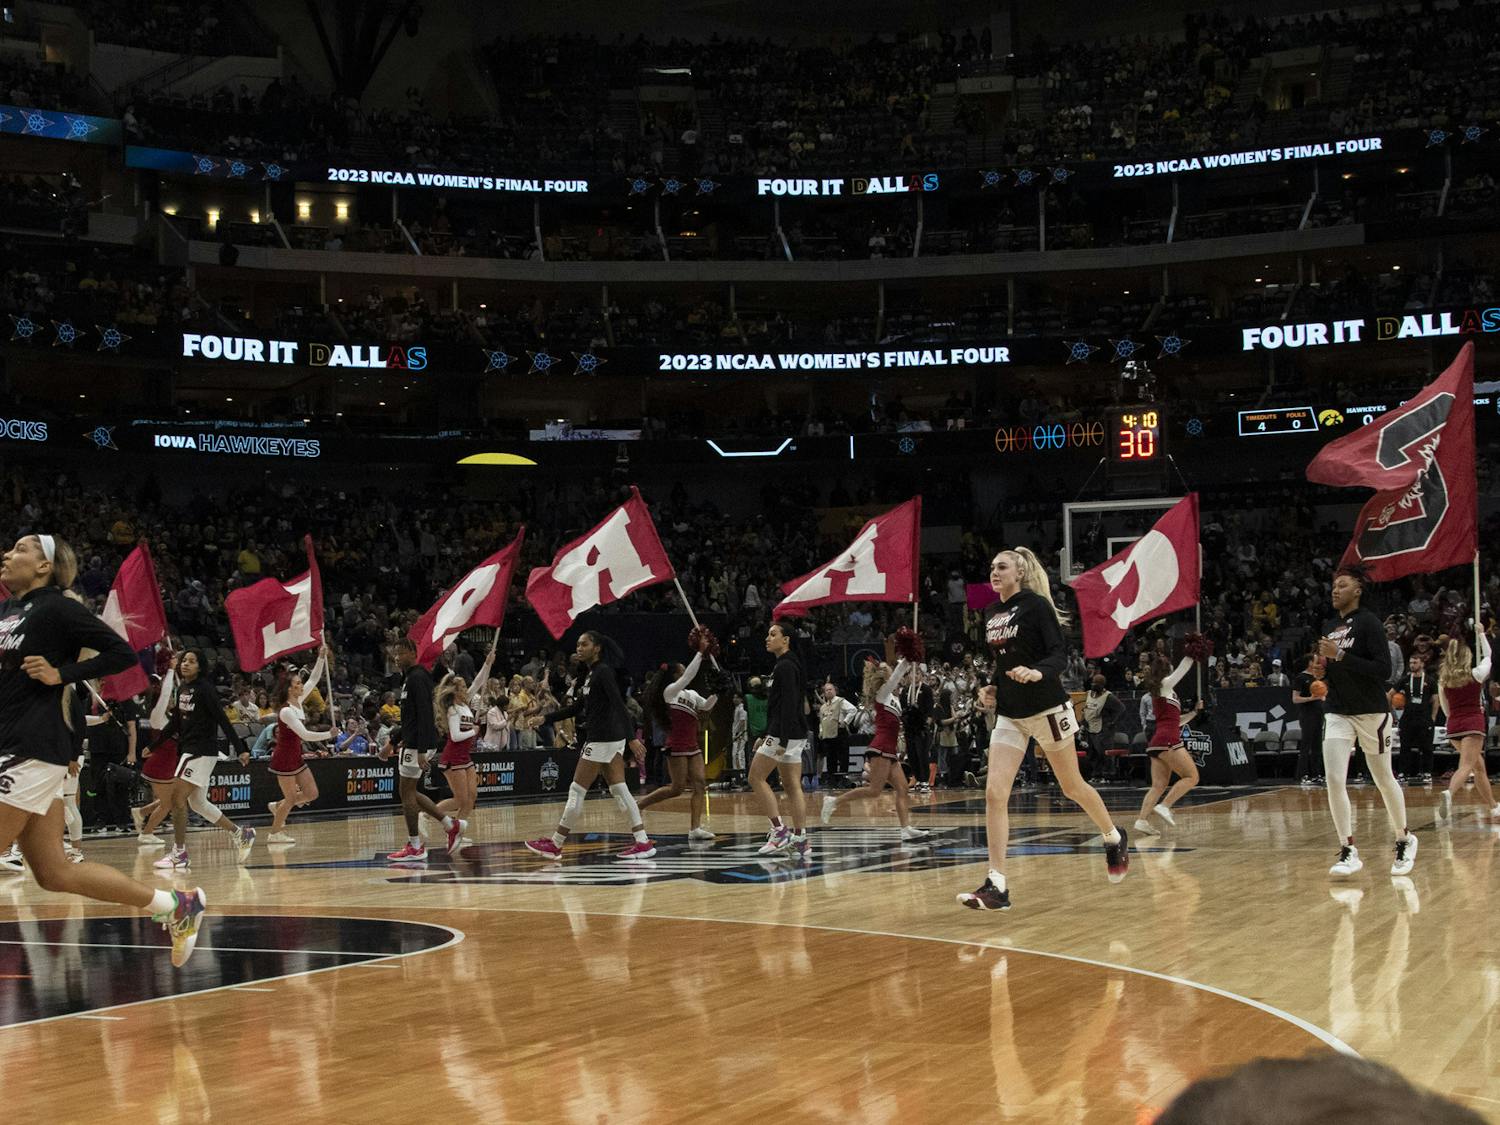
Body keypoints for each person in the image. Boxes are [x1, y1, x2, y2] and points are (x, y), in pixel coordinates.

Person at [0, 533, 207, 966]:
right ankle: (175, 906)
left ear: (44, 567)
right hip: (15, 742)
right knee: (55, 873)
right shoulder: (10, 610)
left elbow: (120, 653)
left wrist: (63, 673)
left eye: (21, 549)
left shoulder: (58, 606)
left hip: (32, 746)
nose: (7, 554)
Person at [958, 547, 1130, 912]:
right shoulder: (990, 612)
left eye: (1001, 566)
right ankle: (997, 885)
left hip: (1047, 707)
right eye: (991, 566)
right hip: (1010, 713)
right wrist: (990, 686)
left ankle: (1113, 837)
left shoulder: (1036, 606)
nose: (994, 571)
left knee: (1072, 786)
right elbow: (1001, 661)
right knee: (994, 793)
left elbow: (1059, 655)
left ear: (1018, 572)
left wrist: (1038, 672)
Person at [523, 631, 656, 860]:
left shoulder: (603, 672)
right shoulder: (591, 674)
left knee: (577, 790)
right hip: (610, 738)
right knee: (619, 789)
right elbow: (576, 709)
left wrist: (633, 738)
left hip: (603, 738)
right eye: (577, 644)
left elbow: (619, 704)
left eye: (584, 644)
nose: (579, 648)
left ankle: (556, 843)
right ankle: (642, 841)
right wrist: (546, 718)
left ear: (597, 648)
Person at [1319, 567, 1417, 877]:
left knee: (1383, 778)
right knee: (1334, 779)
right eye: (1334, 585)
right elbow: (1329, 667)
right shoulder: (1329, 625)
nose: (1336, 590)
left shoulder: (1370, 623)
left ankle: (1404, 838)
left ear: (1358, 590)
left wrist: (1341, 657)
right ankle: (1348, 849)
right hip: (1337, 711)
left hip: (1372, 712)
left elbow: (1384, 669)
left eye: (1343, 585)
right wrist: (1321, 673)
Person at [153, 648, 256, 870]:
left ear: (200, 666)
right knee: (198, 803)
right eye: (183, 661)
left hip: (199, 751)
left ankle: (179, 853)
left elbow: (222, 719)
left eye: (191, 661)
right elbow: (176, 723)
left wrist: (240, 748)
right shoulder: (182, 689)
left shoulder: (205, 689)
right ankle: (241, 833)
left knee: (176, 799)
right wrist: (154, 745)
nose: (185, 664)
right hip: (191, 751)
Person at [821, 645, 930, 842]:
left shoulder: (894, 698)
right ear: (884, 677)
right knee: (874, 791)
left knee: (903, 788)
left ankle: (905, 828)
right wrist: (907, 658)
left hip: (889, 749)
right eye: (888, 669)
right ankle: (833, 801)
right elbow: (897, 675)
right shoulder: (882, 694)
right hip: (880, 748)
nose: (891, 671)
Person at [386, 637, 464, 862]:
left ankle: (416, 846)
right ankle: (450, 825)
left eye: (401, 653)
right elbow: (409, 718)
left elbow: (424, 715)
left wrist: (420, 749)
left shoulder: (418, 677)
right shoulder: (409, 678)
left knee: (406, 794)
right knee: (409, 792)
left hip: (417, 745)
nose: (397, 657)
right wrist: (392, 742)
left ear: (413, 653)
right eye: (395, 653)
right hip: (413, 743)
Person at [637, 636, 718, 840]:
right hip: (677, 745)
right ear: (675, 674)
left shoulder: (690, 695)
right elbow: (687, 677)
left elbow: (706, 706)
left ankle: (695, 829)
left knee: (700, 784)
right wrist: (700, 652)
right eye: (681, 669)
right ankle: (640, 804)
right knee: (677, 788)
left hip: (693, 745)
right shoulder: (669, 692)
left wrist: (719, 691)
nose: (684, 670)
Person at [748, 622, 810, 856]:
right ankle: (801, 838)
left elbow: (788, 706)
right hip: (794, 734)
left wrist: (779, 739)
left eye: (773, 634)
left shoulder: (785, 666)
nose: (767, 638)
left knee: (755, 777)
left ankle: (779, 830)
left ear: (786, 640)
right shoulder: (789, 664)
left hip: (785, 734)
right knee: (793, 786)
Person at [432, 638, 496, 849]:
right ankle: (427, 813)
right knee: (460, 800)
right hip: (452, 757)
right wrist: (473, 731)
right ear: (455, 690)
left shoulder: (465, 703)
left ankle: (456, 832)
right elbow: (456, 736)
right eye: (463, 687)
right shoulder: (452, 709)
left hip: (465, 757)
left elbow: (478, 681)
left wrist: (487, 663)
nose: (466, 688)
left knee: (471, 798)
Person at [265, 645, 332, 845]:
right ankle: (274, 834)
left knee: (312, 793)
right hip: (284, 759)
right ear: (289, 688)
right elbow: (304, 734)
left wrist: (321, 657)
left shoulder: (299, 701)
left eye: (300, 682)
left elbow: (314, 679)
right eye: (297, 683)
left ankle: (277, 805)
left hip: (296, 756)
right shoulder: (285, 711)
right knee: (292, 799)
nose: (302, 685)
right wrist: (329, 734)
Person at [1132, 654, 1201, 837]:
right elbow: (1183, 669)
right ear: (1166, 670)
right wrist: (1192, 653)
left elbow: (1176, 721)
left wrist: (1194, 712)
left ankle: (1142, 820)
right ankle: (1165, 806)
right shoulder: (1165, 685)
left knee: (1158, 785)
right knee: (1192, 777)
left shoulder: (1164, 691)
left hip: (1158, 741)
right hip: (1168, 740)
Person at [1436, 630, 1495, 821]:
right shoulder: (1476, 674)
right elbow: (1489, 657)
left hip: (1454, 726)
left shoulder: (1443, 681)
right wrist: (1481, 634)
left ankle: (1493, 806)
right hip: (1472, 723)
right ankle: (1449, 793)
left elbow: (1446, 710)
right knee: (1467, 766)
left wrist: (1455, 718)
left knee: (1479, 767)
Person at [1396, 653, 1437, 784]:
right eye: (1411, 663)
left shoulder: (1430, 680)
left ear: (1422, 664)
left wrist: (1433, 717)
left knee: (1426, 747)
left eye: (1415, 662)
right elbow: (1389, 695)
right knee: (1405, 747)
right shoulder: (1405, 680)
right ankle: (1403, 772)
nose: (1412, 665)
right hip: (1408, 718)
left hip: (1424, 718)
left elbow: (1436, 700)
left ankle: (1426, 773)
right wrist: (1392, 714)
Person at [1080, 674, 1124, 780]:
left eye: (1096, 684)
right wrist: (1083, 720)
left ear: (1102, 685)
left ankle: (1109, 774)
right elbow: (1086, 709)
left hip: (1104, 729)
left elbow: (1121, 708)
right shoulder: (1089, 694)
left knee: (1104, 753)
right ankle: (1096, 774)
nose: (1094, 686)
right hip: (1090, 728)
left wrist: (1113, 722)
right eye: (1093, 683)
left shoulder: (1108, 697)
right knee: (1093, 753)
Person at [1292, 652, 1326, 786]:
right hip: (1307, 714)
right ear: (1309, 663)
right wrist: (1310, 698)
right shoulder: (1301, 678)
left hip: (1319, 712)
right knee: (1306, 744)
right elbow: (1295, 699)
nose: (1318, 663)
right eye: (1316, 661)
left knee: (1317, 745)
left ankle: (1316, 774)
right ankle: (1302, 775)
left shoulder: (1318, 678)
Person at [816, 681, 856, 787]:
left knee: (843, 757)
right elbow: (822, 720)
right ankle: (832, 779)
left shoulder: (841, 701)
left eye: (830, 689)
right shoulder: (823, 707)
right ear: (824, 693)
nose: (828, 691)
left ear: (835, 690)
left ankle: (843, 778)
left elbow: (853, 710)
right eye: (826, 690)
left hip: (840, 733)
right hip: (828, 735)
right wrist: (821, 731)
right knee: (830, 758)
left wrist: (845, 721)